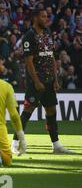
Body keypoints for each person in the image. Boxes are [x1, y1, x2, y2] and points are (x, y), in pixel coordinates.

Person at [11, 9, 73, 154]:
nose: (46, 19)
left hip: (49, 81)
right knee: (27, 111)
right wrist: (37, 81)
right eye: (43, 16)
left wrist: (55, 79)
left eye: (47, 16)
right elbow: (28, 61)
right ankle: (14, 143)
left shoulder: (47, 35)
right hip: (36, 82)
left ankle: (56, 145)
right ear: (35, 18)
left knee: (51, 110)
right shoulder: (29, 36)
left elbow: (51, 57)